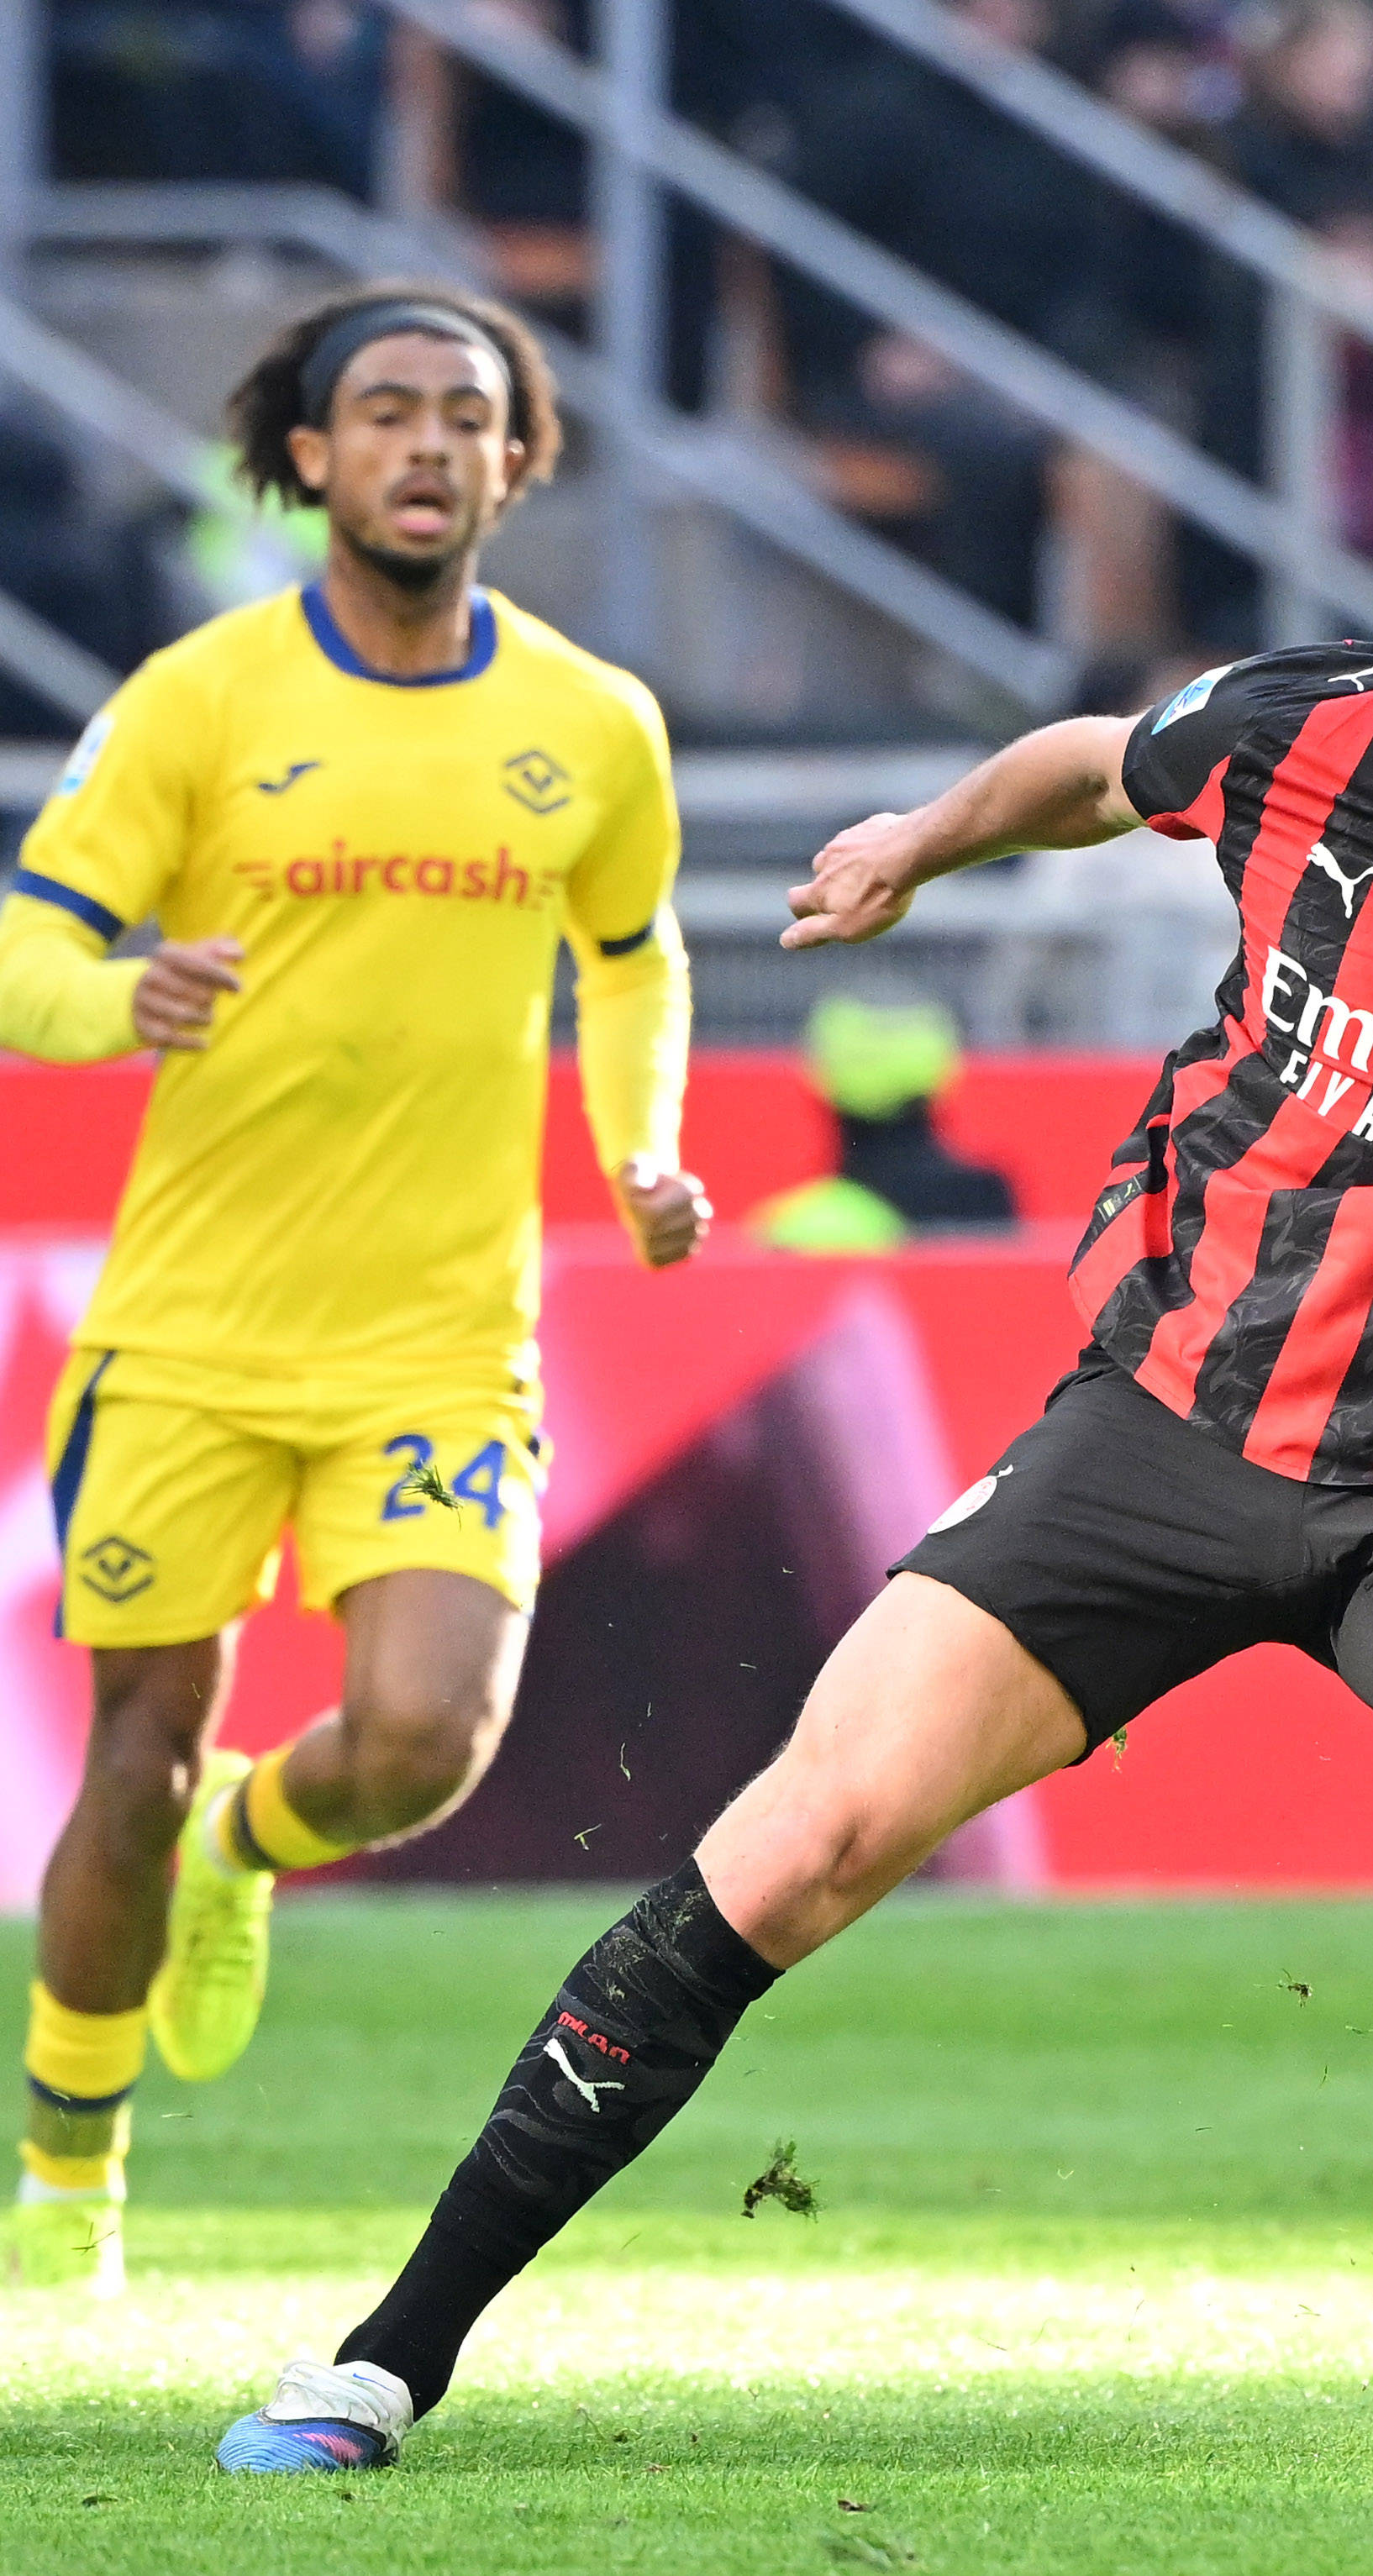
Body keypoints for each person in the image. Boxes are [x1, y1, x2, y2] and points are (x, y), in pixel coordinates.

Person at [213, 442, 1373, 2483]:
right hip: (1152, 1444)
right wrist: (919, 843)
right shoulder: (1305, 735)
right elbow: (1091, 767)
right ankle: (386, 2360)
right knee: (797, 1847)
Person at [0, 283, 708, 2297]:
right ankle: (69, 2183)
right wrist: (117, 998)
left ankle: (252, 1844)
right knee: (132, 1757)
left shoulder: (591, 721)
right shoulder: (199, 700)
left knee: (420, 1741)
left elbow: (636, 958)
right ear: (309, 457)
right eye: (385, 411)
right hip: (191, 1334)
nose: (425, 444)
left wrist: (638, 1149)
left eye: (464, 415)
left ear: (516, 461)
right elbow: (25, 949)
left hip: (441, 1336)